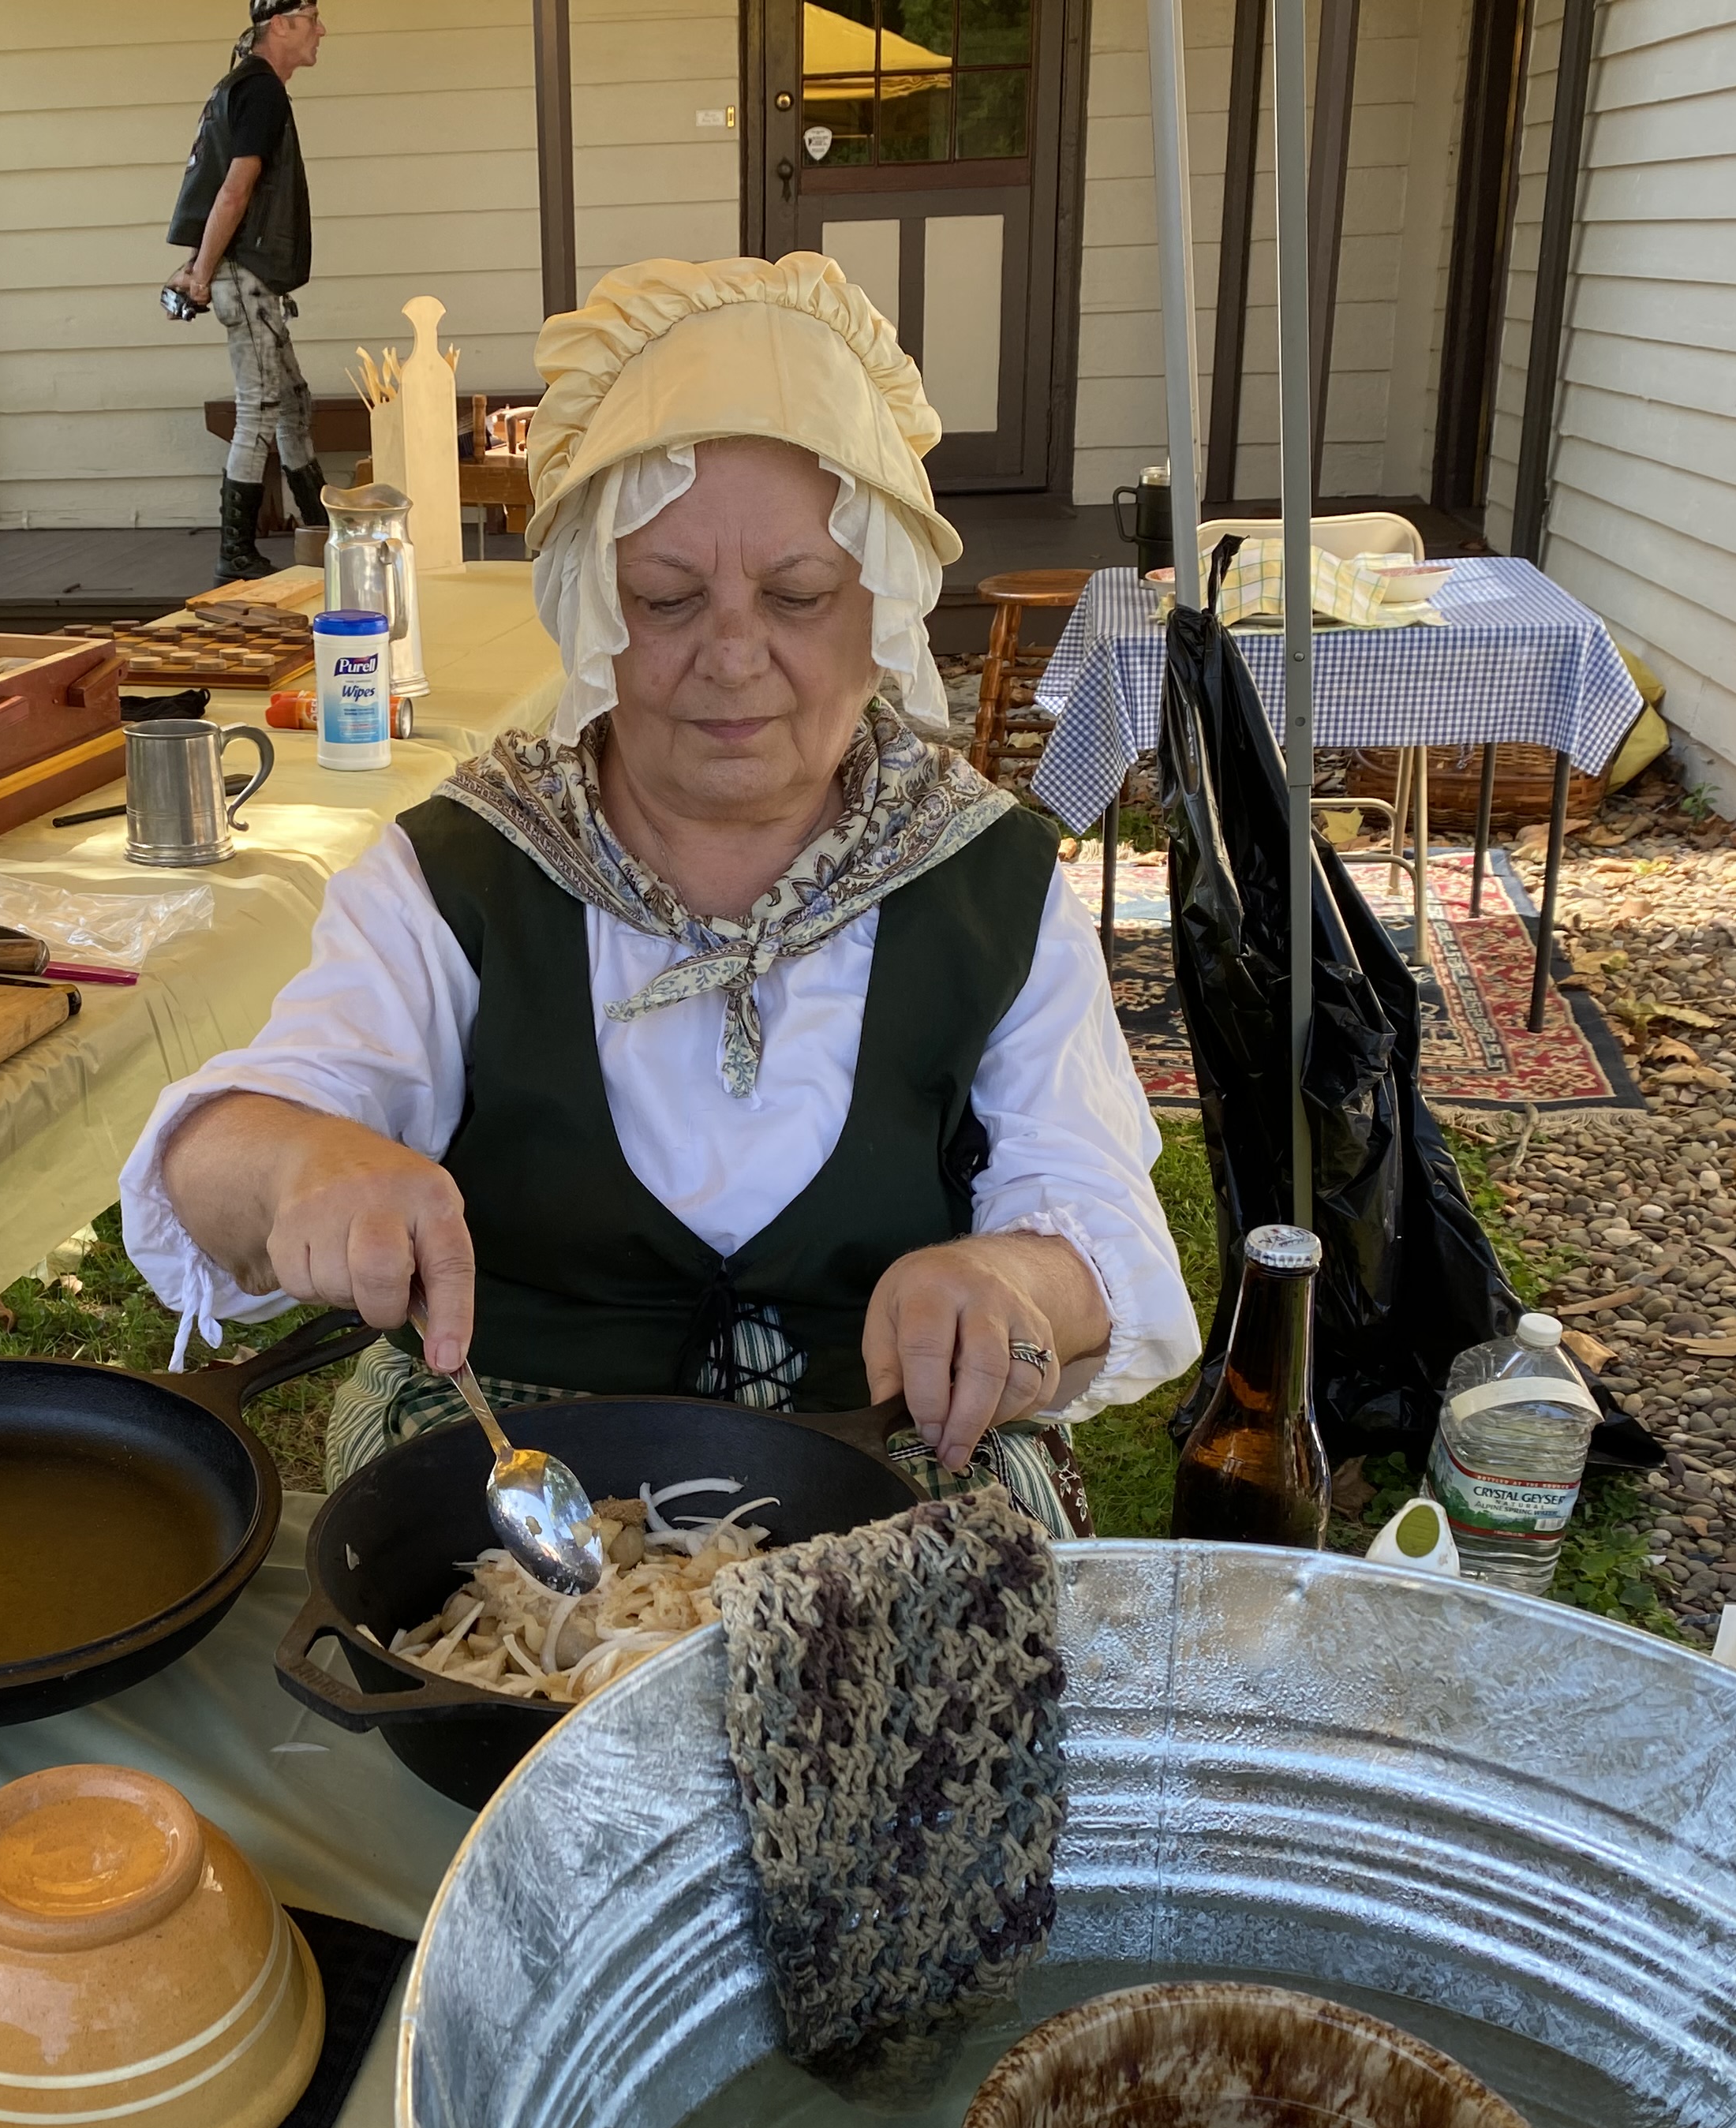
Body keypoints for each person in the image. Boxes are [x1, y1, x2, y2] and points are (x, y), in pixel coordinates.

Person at [121, 256, 1201, 1528]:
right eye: (667, 597)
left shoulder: (987, 886)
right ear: (592, 607)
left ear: (884, 611)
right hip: (509, 1503)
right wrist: (305, 1163)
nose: (734, 655)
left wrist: (1016, 1288)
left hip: (879, 1482)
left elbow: (1101, 1228)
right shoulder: (467, 870)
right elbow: (227, 1151)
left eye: (798, 597)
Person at [166, 0, 328, 585]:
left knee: (293, 401)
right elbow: (234, 190)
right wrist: (203, 274)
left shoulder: (236, 87)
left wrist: (196, 266)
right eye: (312, 19)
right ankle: (235, 551)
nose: (321, 31)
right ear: (280, 24)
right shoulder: (260, 91)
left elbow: (213, 187)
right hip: (248, 274)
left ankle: (318, 525)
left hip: (244, 271)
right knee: (259, 406)